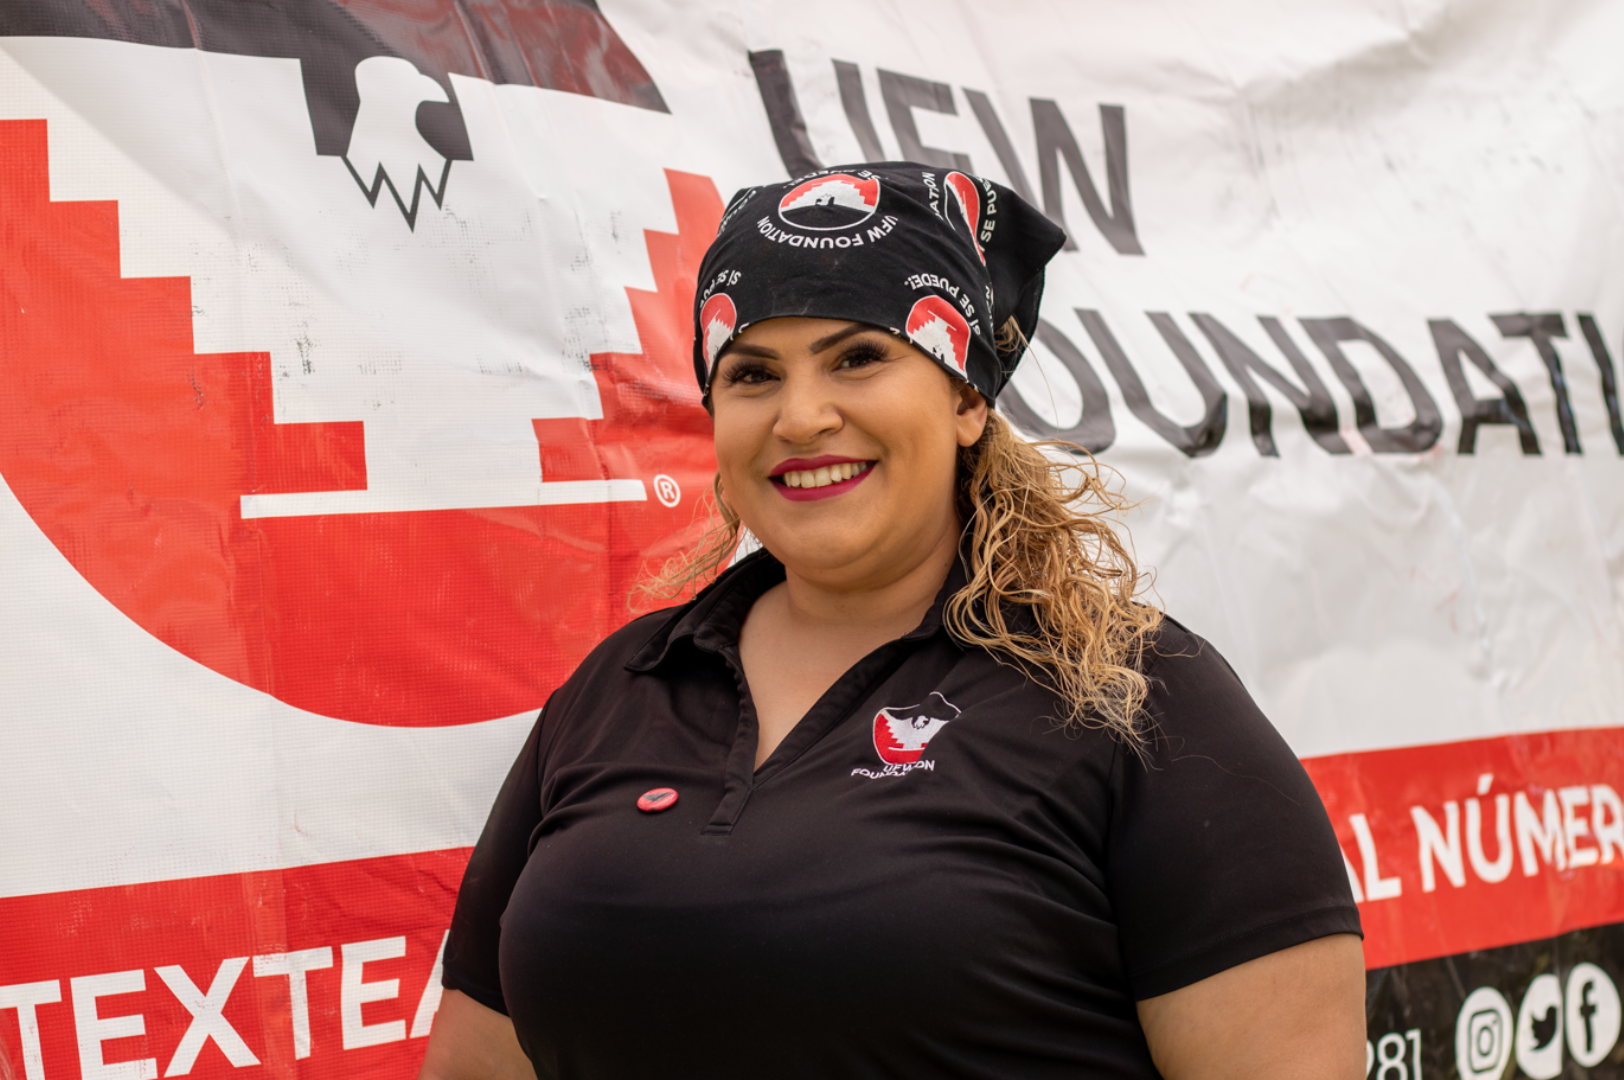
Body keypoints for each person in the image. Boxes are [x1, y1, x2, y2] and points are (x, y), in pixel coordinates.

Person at [420, 164, 1366, 1080]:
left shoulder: (1133, 696)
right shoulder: (620, 688)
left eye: (859, 357)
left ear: (964, 397)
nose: (800, 417)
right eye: (752, 375)